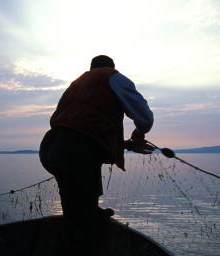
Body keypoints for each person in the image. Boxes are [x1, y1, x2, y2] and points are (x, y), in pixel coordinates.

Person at [39, 55, 154, 220]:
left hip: (50, 147)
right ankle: (84, 227)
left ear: (91, 68)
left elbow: (85, 131)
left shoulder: (77, 84)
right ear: (112, 67)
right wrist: (139, 133)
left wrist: (126, 145)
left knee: (72, 196)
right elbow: (145, 118)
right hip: (75, 150)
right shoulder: (113, 77)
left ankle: (90, 211)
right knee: (81, 215)